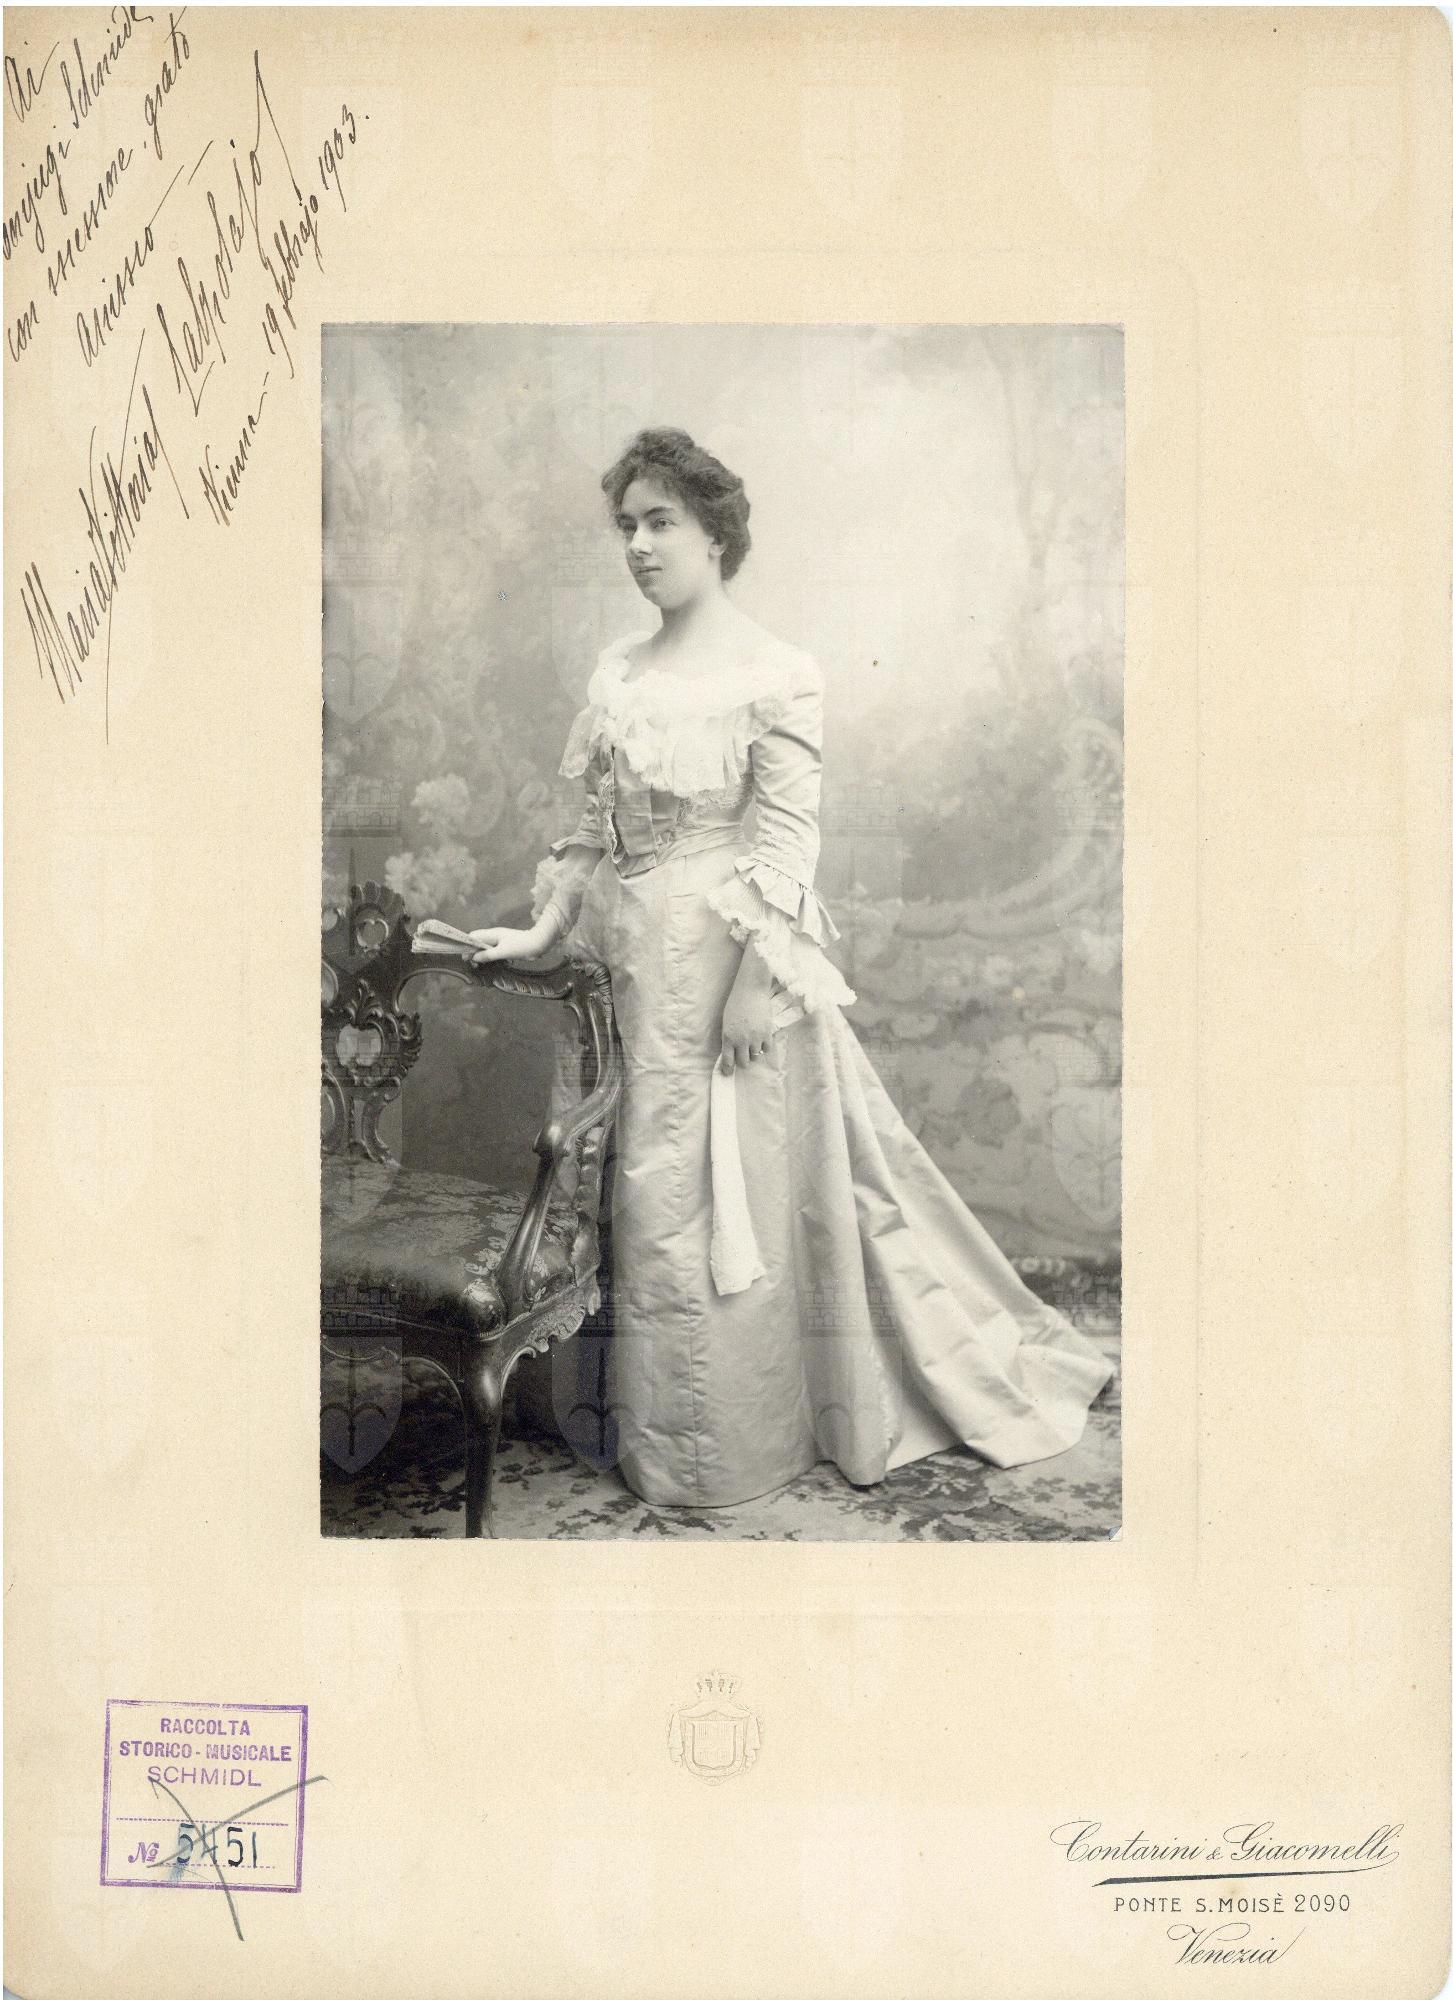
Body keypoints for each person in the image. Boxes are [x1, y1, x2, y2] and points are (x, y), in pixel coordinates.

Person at [464, 427, 1114, 1509]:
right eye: (626, 525)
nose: (638, 544)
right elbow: (589, 828)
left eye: (661, 521)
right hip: (626, 955)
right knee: (625, 1170)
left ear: (716, 534)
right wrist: (542, 932)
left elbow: (784, 842)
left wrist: (755, 983)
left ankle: (711, 1447)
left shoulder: (776, 674)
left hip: (722, 961)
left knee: (703, 1189)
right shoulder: (618, 670)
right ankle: (621, 1414)